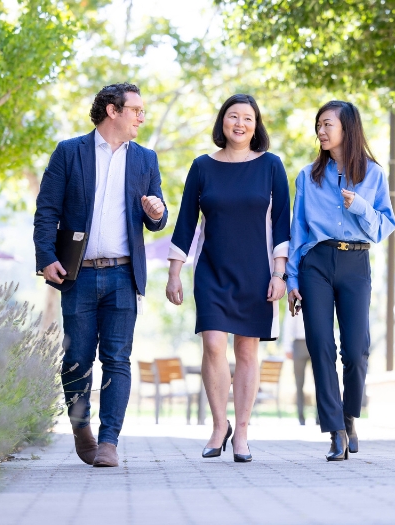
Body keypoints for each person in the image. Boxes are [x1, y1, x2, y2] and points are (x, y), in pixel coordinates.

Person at [33, 83, 167, 468]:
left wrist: (157, 212)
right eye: (136, 110)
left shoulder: (145, 159)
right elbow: (47, 211)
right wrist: (45, 256)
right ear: (113, 111)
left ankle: (109, 441)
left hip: (125, 275)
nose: (142, 117)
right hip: (78, 275)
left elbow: (156, 218)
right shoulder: (69, 152)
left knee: (118, 359)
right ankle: (81, 428)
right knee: (76, 358)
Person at [165, 94, 290, 463]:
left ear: (256, 125)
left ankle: (243, 432)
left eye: (247, 118)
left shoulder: (271, 166)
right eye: (233, 116)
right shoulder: (203, 166)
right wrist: (175, 273)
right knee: (214, 345)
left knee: (247, 350)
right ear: (222, 122)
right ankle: (220, 426)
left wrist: (280, 273)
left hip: (257, 272)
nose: (239, 123)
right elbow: (186, 221)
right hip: (212, 271)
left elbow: (282, 222)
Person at [287, 100, 395, 461]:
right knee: (320, 345)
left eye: (327, 125)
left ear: (347, 129)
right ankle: (334, 430)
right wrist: (291, 279)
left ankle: (349, 417)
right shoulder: (307, 176)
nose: (320, 131)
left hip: (355, 261)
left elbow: (384, 227)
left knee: (356, 349)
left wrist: (361, 206)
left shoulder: (373, 175)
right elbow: (298, 229)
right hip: (315, 262)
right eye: (318, 125)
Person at [281, 312, 317, 426]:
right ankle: (301, 417)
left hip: (315, 341)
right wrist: (287, 347)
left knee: (319, 382)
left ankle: (320, 416)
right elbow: (288, 322)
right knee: (299, 383)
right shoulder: (295, 295)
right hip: (298, 343)